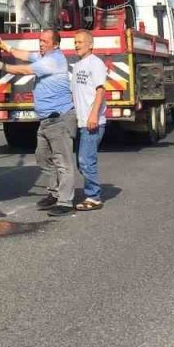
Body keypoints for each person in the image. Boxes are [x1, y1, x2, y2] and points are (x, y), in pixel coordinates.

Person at [0, 30, 75, 216]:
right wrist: (6, 47)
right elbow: (24, 55)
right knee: (42, 157)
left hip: (59, 118)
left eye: (45, 41)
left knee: (63, 162)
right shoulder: (43, 56)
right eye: (40, 40)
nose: (41, 44)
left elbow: (25, 69)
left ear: (55, 44)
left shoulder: (53, 60)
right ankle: (55, 193)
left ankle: (65, 202)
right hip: (46, 120)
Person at [70, 29, 108, 211]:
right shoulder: (77, 66)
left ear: (90, 44)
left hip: (93, 121)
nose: (76, 45)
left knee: (86, 159)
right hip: (80, 121)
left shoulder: (96, 63)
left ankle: (93, 197)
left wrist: (93, 115)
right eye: (75, 42)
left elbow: (100, 90)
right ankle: (91, 191)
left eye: (80, 42)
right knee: (81, 161)